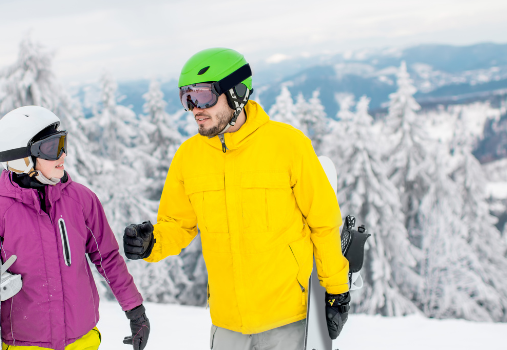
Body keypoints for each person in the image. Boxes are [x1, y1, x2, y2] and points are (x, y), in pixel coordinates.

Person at [122, 48, 349, 349]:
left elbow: (324, 222)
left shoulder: (288, 145)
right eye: (186, 98)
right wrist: (152, 242)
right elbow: (178, 223)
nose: (194, 109)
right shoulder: (189, 157)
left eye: (202, 96)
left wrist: (336, 289)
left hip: (288, 320)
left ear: (235, 93)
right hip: (227, 322)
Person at [0, 106, 150, 350]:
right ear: (22, 159)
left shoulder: (81, 200)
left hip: (81, 340)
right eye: (51, 148)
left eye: (62, 143)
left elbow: (106, 257)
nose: (62, 155)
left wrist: (135, 311)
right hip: (25, 344)